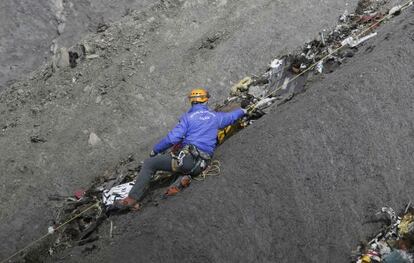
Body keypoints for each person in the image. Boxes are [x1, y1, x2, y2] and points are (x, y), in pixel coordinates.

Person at [114, 88, 247, 210]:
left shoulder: (188, 118)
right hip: (203, 164)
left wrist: (155, 151)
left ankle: (131, 200)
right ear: (205, 100)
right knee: (180, 160)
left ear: (192, 102)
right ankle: (182, 179)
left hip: (188, 160)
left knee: (150, 164)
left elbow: (172, 139)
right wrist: (243, 110)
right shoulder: (215, 117)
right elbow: (231, 117)